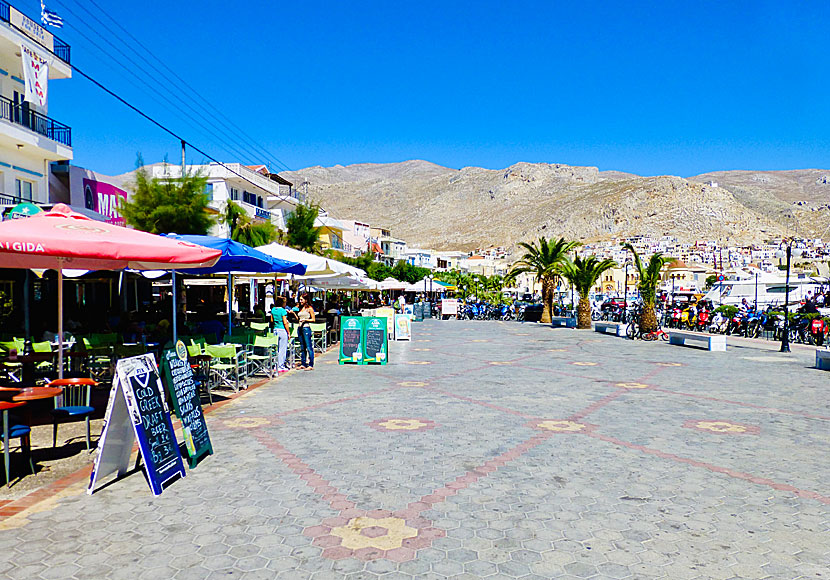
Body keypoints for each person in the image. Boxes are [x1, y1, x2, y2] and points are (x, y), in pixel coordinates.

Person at [271, 296, 291, 374]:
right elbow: (285, 322)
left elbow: (272, 320)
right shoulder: (283, 311)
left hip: (275, 329)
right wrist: (288, 332)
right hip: (282, 330)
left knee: (276, 349)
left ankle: (275, 365)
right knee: (282, 349)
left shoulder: (273, 310)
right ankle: (280, 366)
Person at [297, 293, 316, 370]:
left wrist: (305, 320)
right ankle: (303, 363)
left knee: (308, 347)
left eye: (301, 299)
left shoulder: (310, 308)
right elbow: (298, 318)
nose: (300, 301)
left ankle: (311, 364)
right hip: (300, 328)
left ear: (306, 300)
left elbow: (313, 319)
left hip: (306, 328)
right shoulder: (301, 308)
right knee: (302, 347)